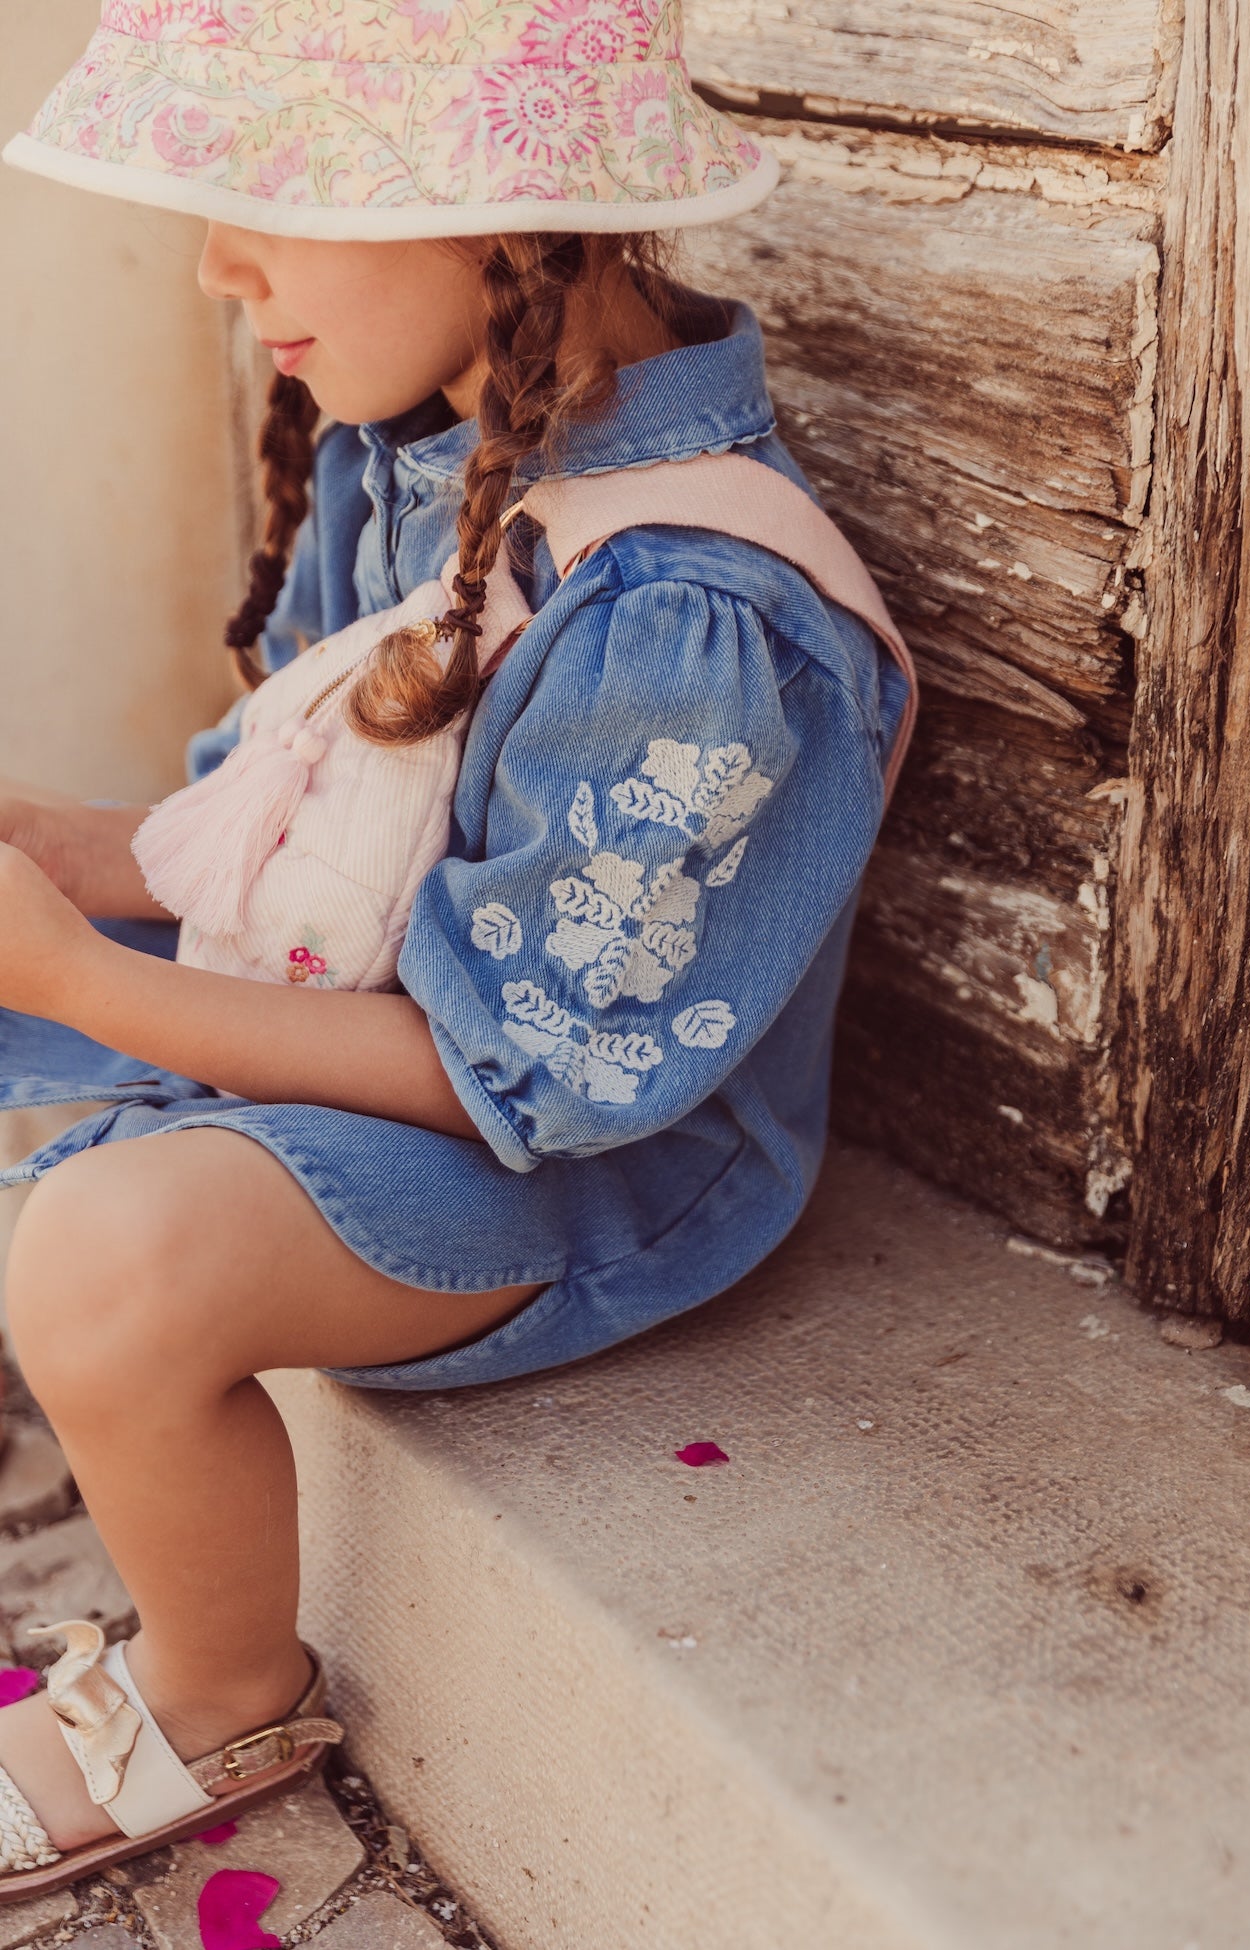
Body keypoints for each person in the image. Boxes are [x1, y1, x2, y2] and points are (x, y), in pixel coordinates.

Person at [0, 0, 915, 1897]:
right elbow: (319, 832)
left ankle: (216, 1680)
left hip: (581, 1154)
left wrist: (88, 977)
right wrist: (68, 852)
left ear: (506, 216)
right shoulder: (425, 449)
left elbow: (526, 1069)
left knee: (104, 1255)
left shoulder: (695, 621)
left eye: (277, 195)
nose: (216, 265)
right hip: (395, 1029)